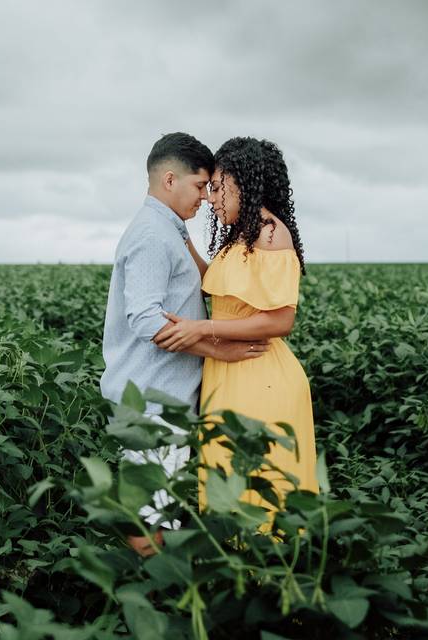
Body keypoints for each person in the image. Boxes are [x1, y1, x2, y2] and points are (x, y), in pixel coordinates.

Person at [99, 132, 270, 557]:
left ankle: (159, 596)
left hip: (162, 395)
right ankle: (152, 602)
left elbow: (208, 281)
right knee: (150, 510)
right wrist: (216, 347)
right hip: (151, 398)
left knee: (161, 505)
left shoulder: (168, 229)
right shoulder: (153, 236)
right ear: (170, 180)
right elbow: (145, 318)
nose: (206, 197)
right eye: (200, 186)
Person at [154, 136, 319, 537]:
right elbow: (216, 285)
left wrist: (202, 327)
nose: (211, 198)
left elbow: (279, 320)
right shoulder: (240, 237)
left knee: (262, 487)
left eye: (218, 186)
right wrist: (179, 236)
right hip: (228, 372)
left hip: (259, 375)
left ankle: (271, 586)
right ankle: (237, 582)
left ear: (244, 182)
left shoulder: (269, 233)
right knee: (228, 480)